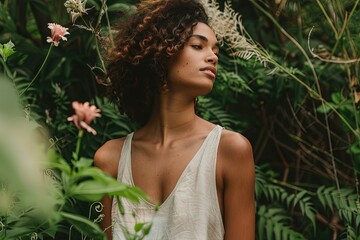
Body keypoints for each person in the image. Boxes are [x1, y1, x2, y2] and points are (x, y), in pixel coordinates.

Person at [94, 0, 255, 239]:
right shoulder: (109, 160)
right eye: (198, 46)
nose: (213, 57)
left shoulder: (229, 151)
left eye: (215, 50)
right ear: (162, 49)